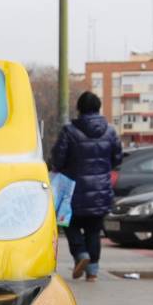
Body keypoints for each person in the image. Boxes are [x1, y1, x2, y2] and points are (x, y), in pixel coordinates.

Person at [49, 91, 122, 281]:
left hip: (73, 190)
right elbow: (117, 159)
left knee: (69, 224)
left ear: (79, 109)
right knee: (93, 230)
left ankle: (81, 254)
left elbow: (58, 158)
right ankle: (92, 272)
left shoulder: (69, 131)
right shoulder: (110, 131)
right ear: (98, 108)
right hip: (101, 191)